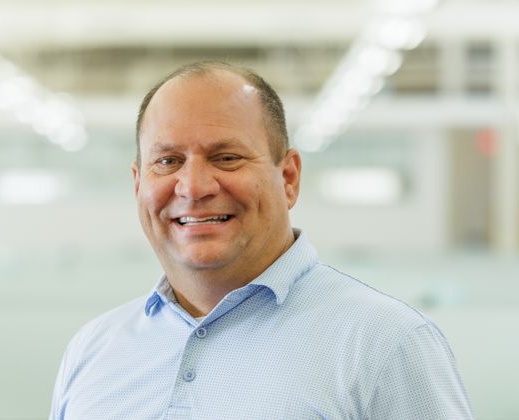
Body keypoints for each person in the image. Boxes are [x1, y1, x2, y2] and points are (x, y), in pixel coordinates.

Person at [49, 61, 474, 419]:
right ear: (139, 183)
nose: (193, 186)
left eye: (227, 157)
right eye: (168, 161)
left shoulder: (386, 343)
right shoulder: (93, 349)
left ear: (288, 179)